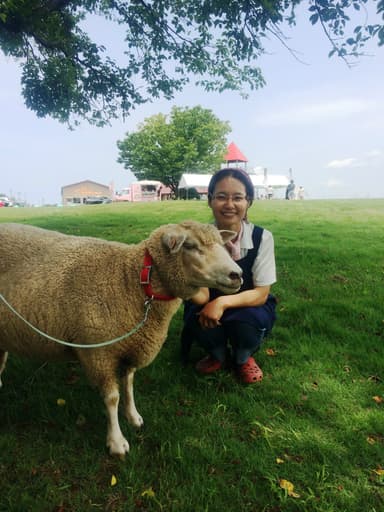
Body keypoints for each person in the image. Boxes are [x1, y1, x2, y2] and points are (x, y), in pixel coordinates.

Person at [181, 167, 277, 384]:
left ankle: (243, 357)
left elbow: (261, 293)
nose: (229, 205)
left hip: (248, 304)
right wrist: (181, 284)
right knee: (200, 320)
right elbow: (203, 296)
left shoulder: (262, 237)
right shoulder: (199, 239)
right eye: (221, 197)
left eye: (238, 198)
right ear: (210, 200)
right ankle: (217, 354)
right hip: (209, 302)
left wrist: (222, 302)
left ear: (248, 201)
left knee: (246, 329)